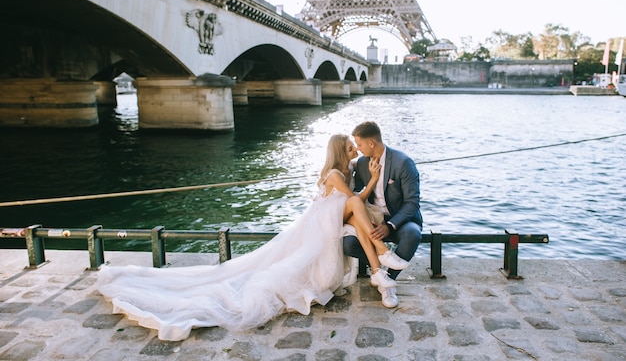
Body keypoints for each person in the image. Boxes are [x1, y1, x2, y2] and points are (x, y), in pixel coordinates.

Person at [97, 133, 405, 341]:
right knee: (355, 208)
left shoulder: (347, 168)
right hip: (323, 223)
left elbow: (355, 193)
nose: (355, 151)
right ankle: (382, 257)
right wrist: (375, 179)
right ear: (341, 152)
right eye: (351, 148)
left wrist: (372, 165)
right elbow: (354, 198)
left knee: (360, 221)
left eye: (355, 147)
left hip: (335, 218)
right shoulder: (336, 175)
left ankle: (379, 269)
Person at [344, 121, 423, 308]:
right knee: (347, 243)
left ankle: (388, 284)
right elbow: (350, 188)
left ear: (371, 143)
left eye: (360, 144)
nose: (358, 148)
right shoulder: (362, 163)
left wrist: (390, 226)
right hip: (373, 219)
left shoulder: (403, 163)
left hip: (400, 220)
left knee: (413, 234)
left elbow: (412, 203)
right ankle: (378, 272)